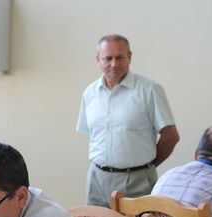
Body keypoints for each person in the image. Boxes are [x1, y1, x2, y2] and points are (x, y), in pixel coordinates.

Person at [76, 34, 180, 207]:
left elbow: (171, 136)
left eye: (119, 57)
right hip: (97, 180)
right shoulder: (89, 93)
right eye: (108, 58)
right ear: (98, 59)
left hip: (137, 181)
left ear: (129, 57)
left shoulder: (149, 90)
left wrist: (146, 166)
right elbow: (94, 135)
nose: (114, 64)